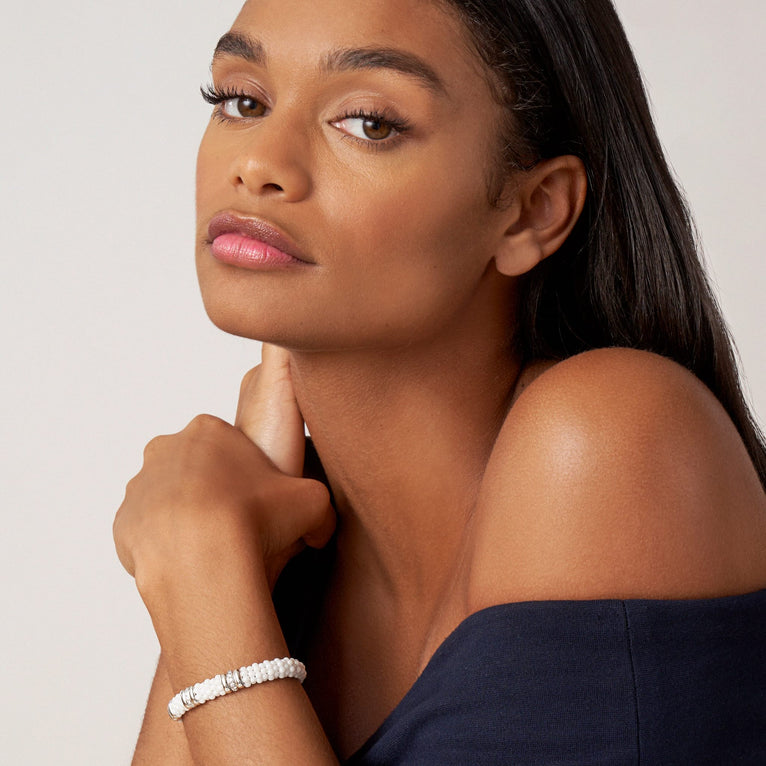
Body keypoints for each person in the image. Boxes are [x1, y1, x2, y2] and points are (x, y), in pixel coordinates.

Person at [113, 0, 766, 763]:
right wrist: (230, 558)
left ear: (532, 212)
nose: (257, 162)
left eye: (368, 122)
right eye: (242, 100)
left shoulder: (606, 440)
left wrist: (199, 577)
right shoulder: (268, 536)